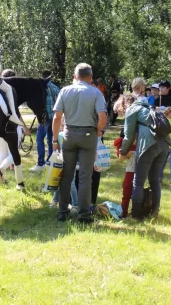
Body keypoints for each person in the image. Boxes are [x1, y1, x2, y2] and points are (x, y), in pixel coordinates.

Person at [51, 63, 107, 223]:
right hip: (88, 134)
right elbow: (102, 118)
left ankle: (62, 212)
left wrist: (55, 140)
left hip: (68, 133)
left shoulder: (64, 91)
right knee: (85, 177)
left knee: (66, 175)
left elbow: (56, 118)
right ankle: (84, 215)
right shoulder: (95, 92)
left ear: (75, 77)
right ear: (90, 77)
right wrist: (98, 130)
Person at [120, 77, 170, 219]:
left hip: (149, 145)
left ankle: (136, 215)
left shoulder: (133, 109)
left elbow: (128, 136)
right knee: (154, 179)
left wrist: (123, 152)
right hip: (165, 144)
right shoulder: (152, 107)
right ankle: (155, 211)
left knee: (138, 181)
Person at [30, 70, 60, 173]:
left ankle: (40, 163)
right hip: (54, 118)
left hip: (44, 118)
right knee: (51, 140)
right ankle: (50, 162)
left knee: (39, 140)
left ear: (42, 77)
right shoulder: (56, 88)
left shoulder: (42, 88)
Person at [113, 93, 137, 217]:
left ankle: (135, 211)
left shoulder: (134, 118)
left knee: (131, 186)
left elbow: (122, 156)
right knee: (128, 185)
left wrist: (127, 153)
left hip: (138, 159)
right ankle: (126, 211)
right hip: (134, 161)